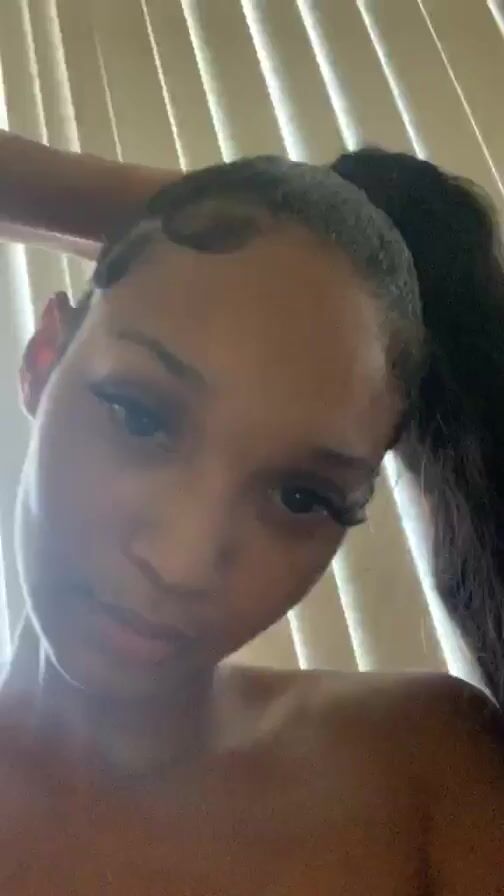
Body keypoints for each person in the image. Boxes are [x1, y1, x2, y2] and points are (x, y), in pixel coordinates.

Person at [0, 133, 504, 894]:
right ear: (44, 360)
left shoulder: (427, 769)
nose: (181, 562)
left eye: (301, 496)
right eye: (140, 415)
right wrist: (251, 210)